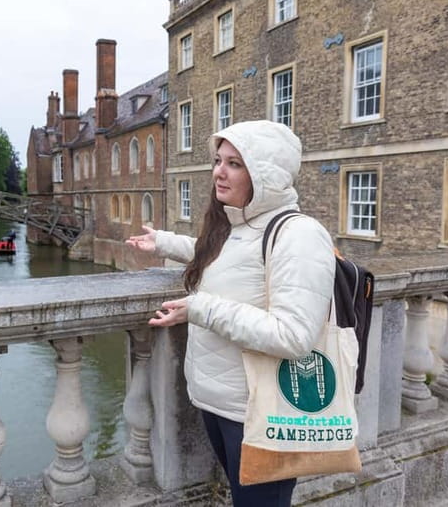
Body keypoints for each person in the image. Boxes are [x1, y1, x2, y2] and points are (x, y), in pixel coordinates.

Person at [126, 120, 334, 506]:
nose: (218, 171)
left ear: (265, 173)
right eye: (218, 160)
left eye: (235, 163)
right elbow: (229, 260)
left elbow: (294, 336)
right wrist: (164, 243)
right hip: (222, 402)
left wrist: (200, 308)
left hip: (263, 413)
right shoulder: (241, 226)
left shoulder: (299, 236)